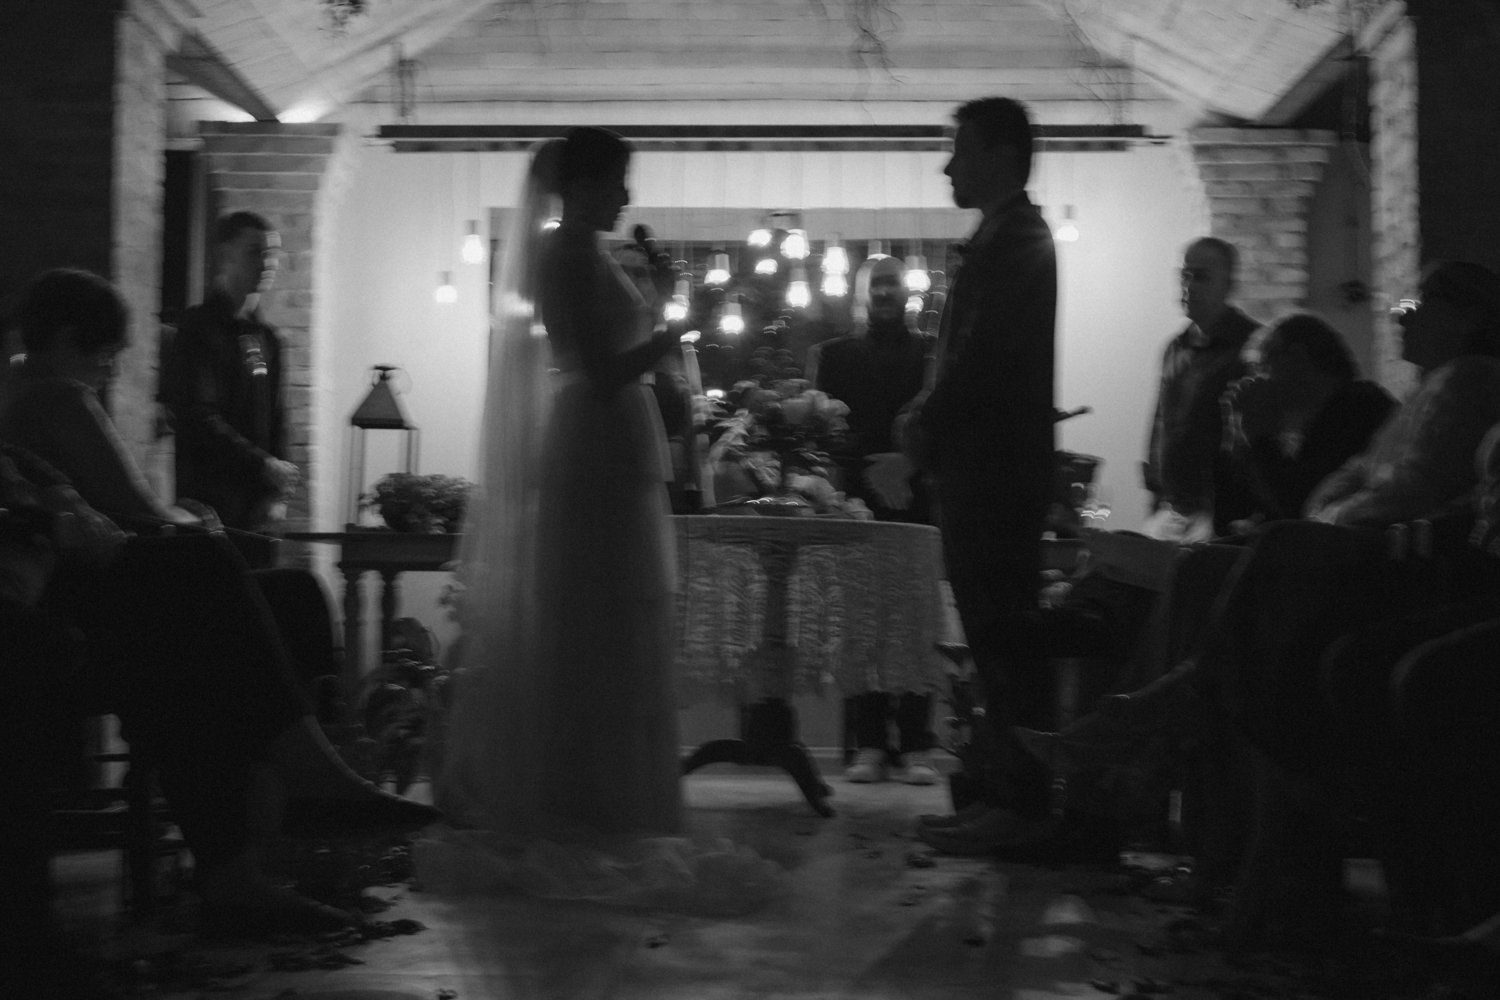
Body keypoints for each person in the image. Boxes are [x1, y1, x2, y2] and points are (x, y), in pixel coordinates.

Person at [0, 269, 440, 948]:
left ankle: (282, 823)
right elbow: (140, 512)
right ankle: (301, 793)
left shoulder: (25, 392)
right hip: (75, 606)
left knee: (283, 595)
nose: (110, 371)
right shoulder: (54, 395)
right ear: (65, 340)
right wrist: (193, 521)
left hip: (82, 591)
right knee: (206, 573)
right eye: (105, 354)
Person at [425, 128, 787, 911]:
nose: (627, 195)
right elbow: (597, 372)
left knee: (622, 618)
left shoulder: (591, 254)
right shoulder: (563, 256)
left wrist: (661, 311)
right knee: (596, 616)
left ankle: (622, 799)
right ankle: (588, 800)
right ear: (583, 184)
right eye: (618, 179)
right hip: (593, 440)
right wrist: (674, 331)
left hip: (616, 438)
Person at [896, 97, 1060, 854]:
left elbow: (982, 356)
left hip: (995, 472)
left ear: (999, 154)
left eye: (960, 150)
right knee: (992, 642)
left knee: (1006, 638)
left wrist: (925, 422)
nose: (948, 166)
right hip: (982, 467)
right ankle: (999, 794)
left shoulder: (1019, 238)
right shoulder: (1000, 236)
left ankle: (1022, 805)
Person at [806, 254, 940, 784]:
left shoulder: (932, 353)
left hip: (916, 497)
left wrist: (908, 464)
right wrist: (852, 478)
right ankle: (869, 744)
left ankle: (916, 745)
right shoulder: (834, 355)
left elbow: (942, 423)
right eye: (876, 284)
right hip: (857, 500)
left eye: (892, 283)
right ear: (861, 293)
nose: (884, 292)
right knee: (861, 622)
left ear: (908, 292)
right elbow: (822, 434)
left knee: (915, 619)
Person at [160, 211, 299, 531]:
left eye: (272, 254)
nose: (267, 263)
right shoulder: (198, 328)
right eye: (254, 252)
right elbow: (199, 416)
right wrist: (263, 465)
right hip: (208, 505)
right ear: (225, 256)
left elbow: (278, 419)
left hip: (259, 506)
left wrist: (279, 494)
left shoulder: (268, 338)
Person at [1220, 312, 1396, 529]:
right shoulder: (1312, 421)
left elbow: (1303, 509)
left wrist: (1259, 434)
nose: (1255, 380)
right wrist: (1239, 434)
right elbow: (1229, 513)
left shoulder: (1359, 407)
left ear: (1297, 357)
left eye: (1263, 366)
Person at [1142, 237, 1260, 539]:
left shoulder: (1251, 347)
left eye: (1202, 277)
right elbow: (1162, 422)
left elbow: (1254, 433)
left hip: (1219, 512)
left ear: (1229, 285)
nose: (1189, 286)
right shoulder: (1176, 347)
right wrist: (1156, 492)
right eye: (1185, 275)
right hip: (1172, 508)